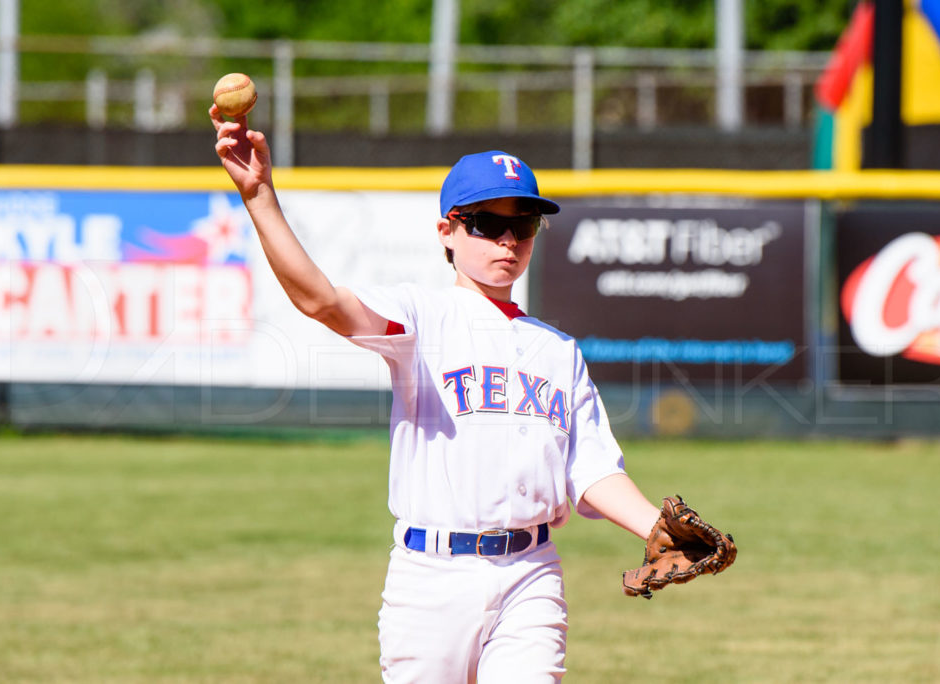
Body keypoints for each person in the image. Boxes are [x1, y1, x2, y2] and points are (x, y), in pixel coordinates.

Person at [211, 104, 663, 683]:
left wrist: (657, 527)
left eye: (522, 224)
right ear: (447, 231)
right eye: (486, 223)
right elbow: (322, 302)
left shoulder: (558, 350)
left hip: (531, 573)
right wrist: (260, 197)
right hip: (431, 579)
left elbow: (593, 474)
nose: (506, 239)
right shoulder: (420, 319)